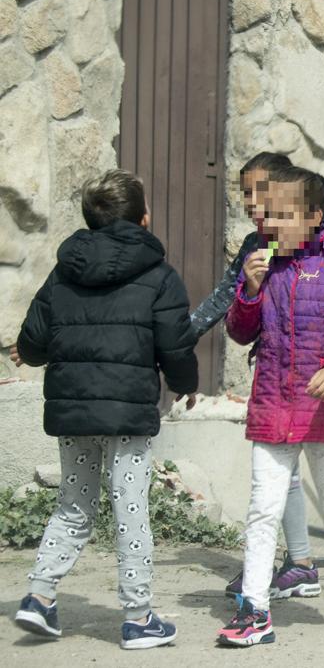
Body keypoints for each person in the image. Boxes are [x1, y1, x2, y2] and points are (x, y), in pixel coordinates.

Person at [11, 169, 197, 649]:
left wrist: (33, 352)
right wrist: (185, 385)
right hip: (127, 417)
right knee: (129, 508)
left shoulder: (63, 271)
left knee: (73, 505)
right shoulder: (159, 275)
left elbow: (31, 341)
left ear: (89, 219)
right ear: (145, 218)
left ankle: (39, 595)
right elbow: (175, 345)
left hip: (74, 415)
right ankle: (138, 617)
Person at [216, 166, 324, 646]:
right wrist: (247, 294)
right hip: (274, 404)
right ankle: (254, 609)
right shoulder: (262, 262)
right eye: (266, 215)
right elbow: (240, 332)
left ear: (315, 216)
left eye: (284, 215)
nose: (271, 225)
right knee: (262, 508)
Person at [189, 152, 324, 602]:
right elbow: (225, 303)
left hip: (311, 377)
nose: (251, 202)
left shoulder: (308, 244)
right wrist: (177, 338)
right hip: (274, 375)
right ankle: (290, 564)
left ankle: (303, 564)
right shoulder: (257, 244)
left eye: (260, 192)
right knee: (277, 474)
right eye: (245, 193)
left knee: (315, 484)